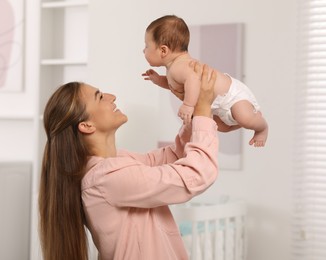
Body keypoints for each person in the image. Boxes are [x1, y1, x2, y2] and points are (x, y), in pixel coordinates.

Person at [38, 62, 219, 260]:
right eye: (99, 97)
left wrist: (194, 110)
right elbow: (195, 176)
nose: (112, 97)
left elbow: (175, 157)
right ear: (87, 125)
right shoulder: (106, 177)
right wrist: (203, 112)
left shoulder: (118, 162)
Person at [142, 15, 269, 147]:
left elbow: (193, 80)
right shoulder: (173, 69)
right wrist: (158, 80)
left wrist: (188, 105)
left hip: (232, 95)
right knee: (221, 127)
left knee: (245, 118)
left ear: (163, 50)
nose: (143, 50)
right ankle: (244, 121)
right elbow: (175, 85)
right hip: (218, 106)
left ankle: (262, 127)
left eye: (146, 46)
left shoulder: (181, 66)